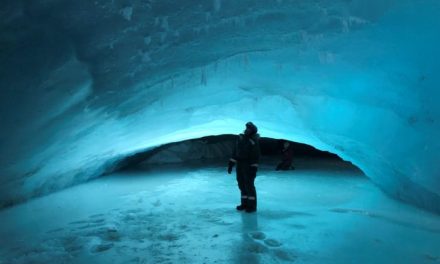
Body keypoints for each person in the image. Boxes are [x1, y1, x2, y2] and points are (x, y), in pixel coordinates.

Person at [227, 122, 261, 213]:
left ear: (252, 131)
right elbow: (235, 153)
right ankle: (244, 204)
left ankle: (252, 206)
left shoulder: (253, 141)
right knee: (241, 185)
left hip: (248, 166)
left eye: (249, 128)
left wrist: (254, 167)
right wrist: (231, 164)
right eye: (246, 128)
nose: (246, 129)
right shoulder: (240, 139)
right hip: (240, 165)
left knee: (249, 185)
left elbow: (255, 155)